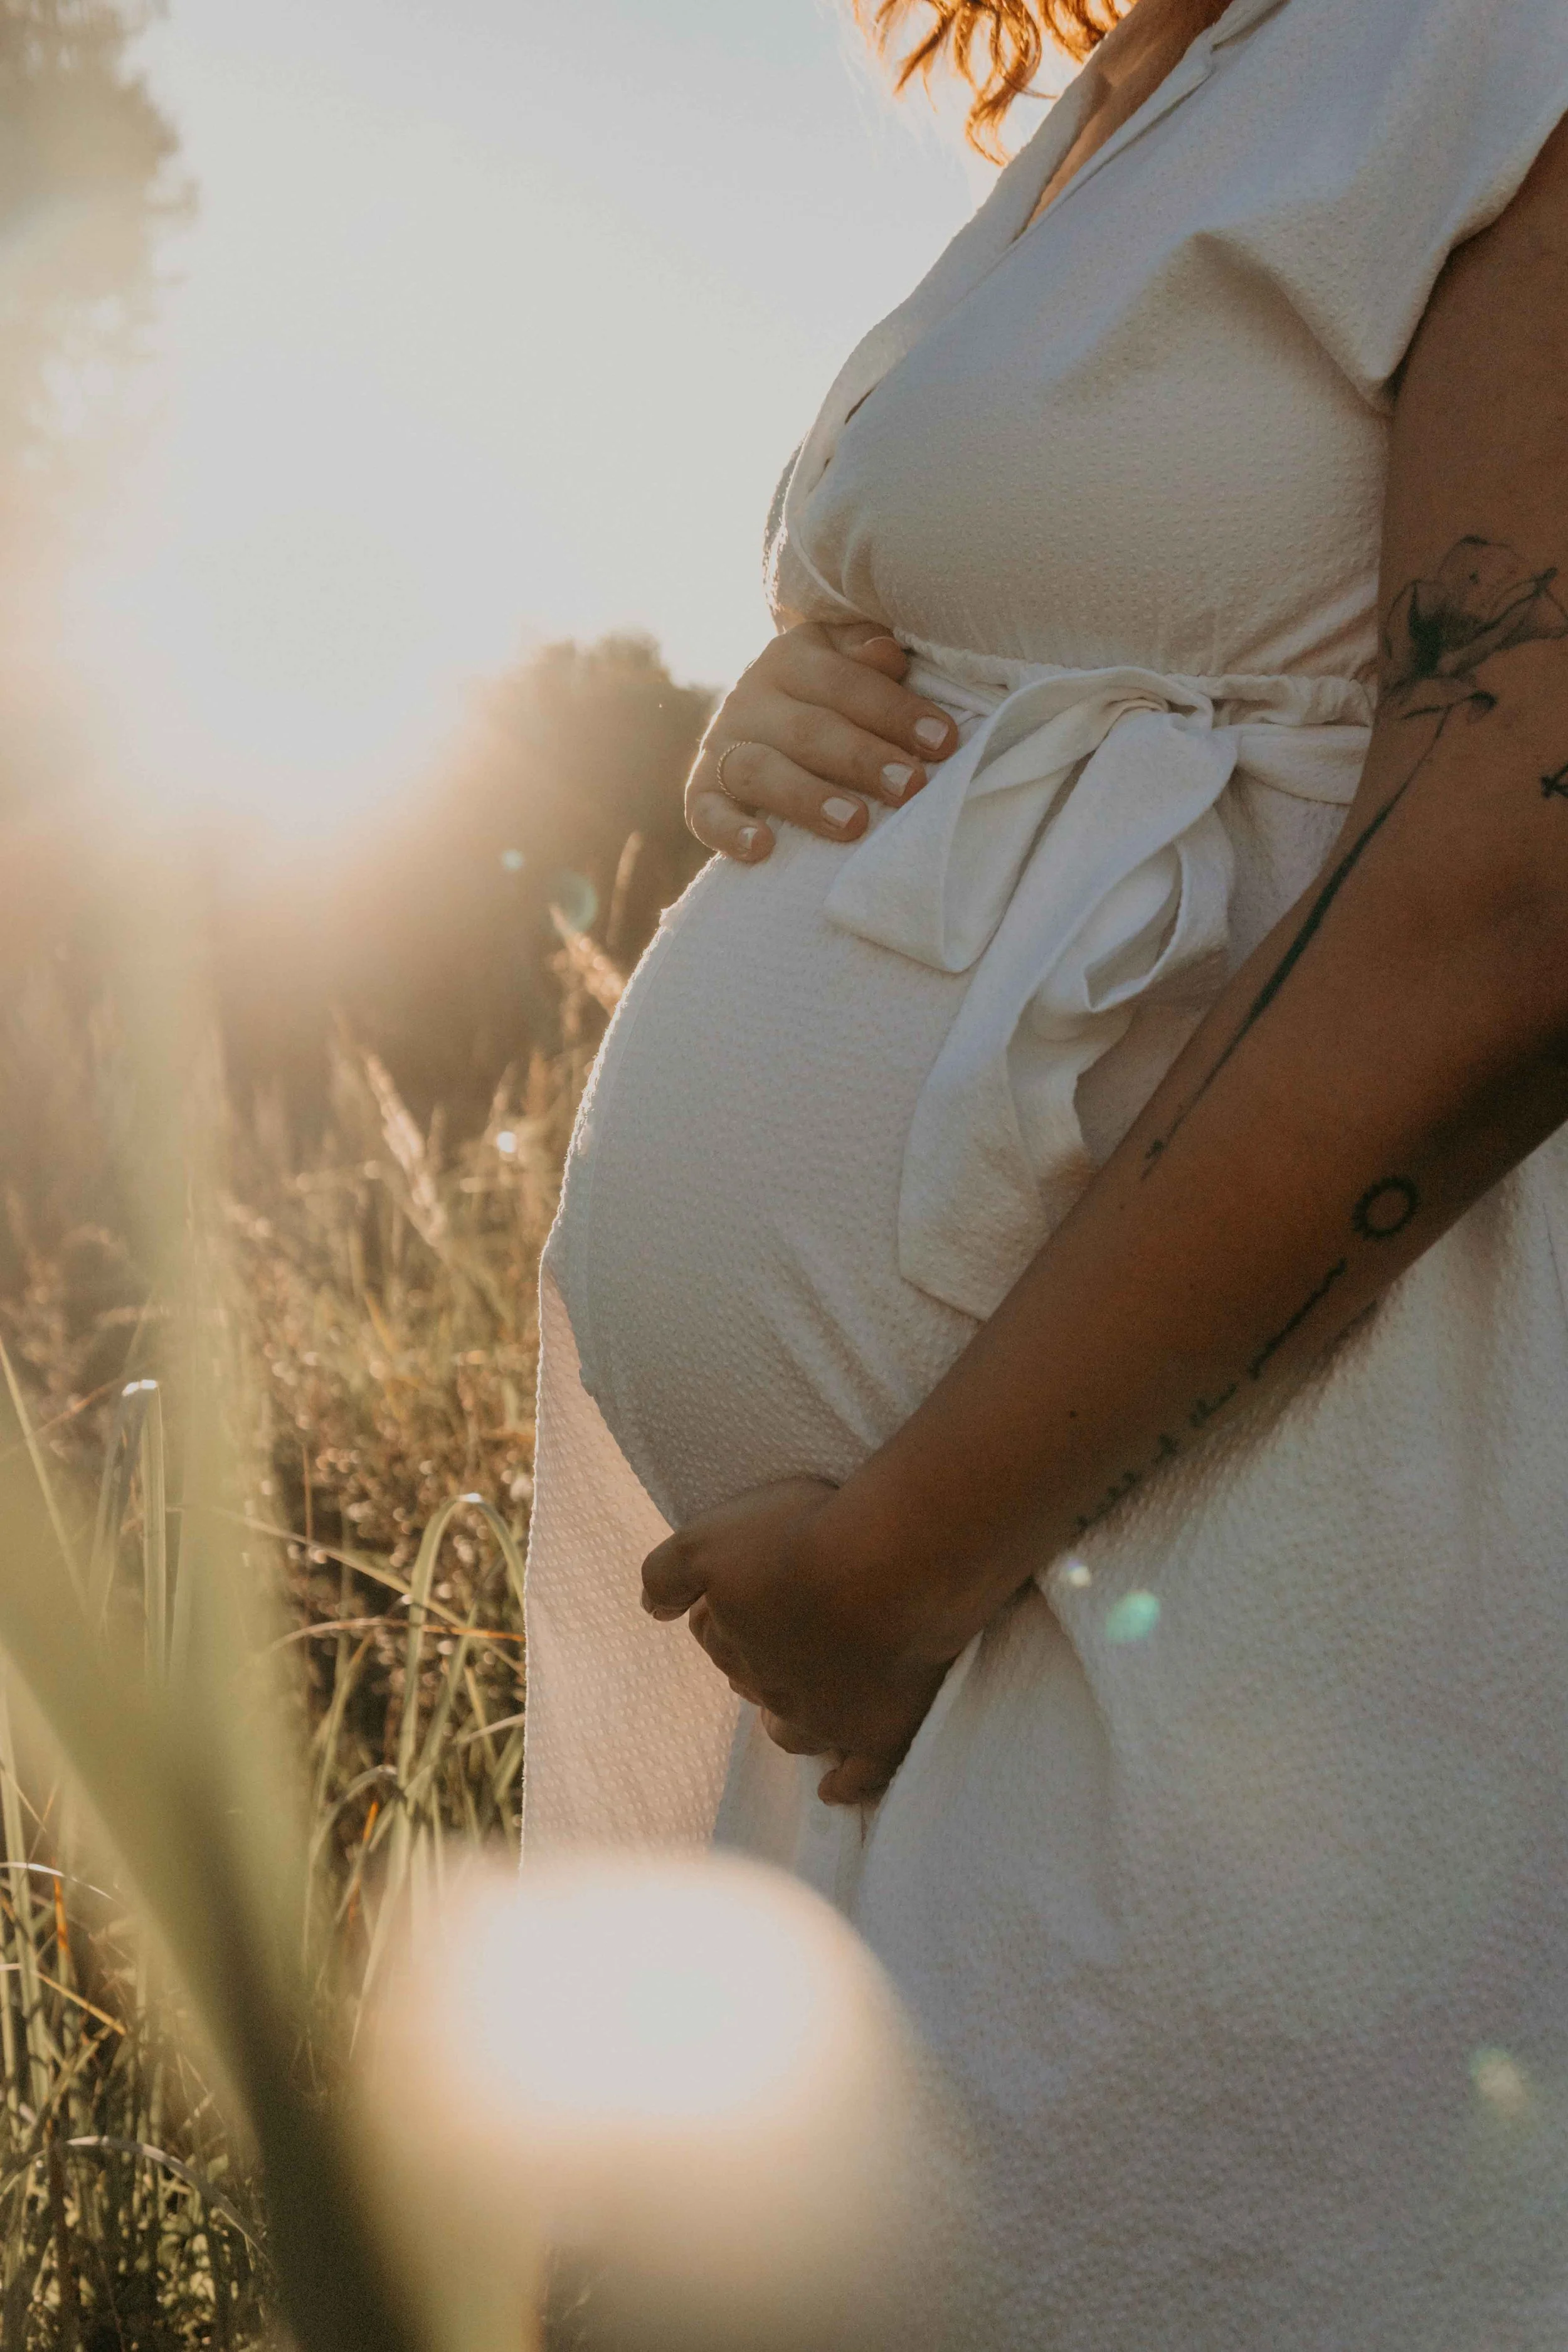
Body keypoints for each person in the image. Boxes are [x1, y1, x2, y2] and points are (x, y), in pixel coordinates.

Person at [522, 0, 1568, 2341]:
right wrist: (790, 700)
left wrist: (905, 1556)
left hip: (1200, 1529)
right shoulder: (1132, 106)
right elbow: (1092, 632)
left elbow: (1519, 868)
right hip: (904, 1600)